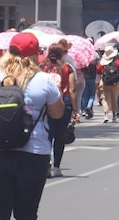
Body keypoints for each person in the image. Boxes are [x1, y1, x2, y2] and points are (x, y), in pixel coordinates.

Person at [0, 32, 64, 220]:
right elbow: (57, 114)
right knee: (27, 214)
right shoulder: (45, 81)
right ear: (35, 55)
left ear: (7, 52)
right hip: (33, 154)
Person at [39, 42, 78, 178]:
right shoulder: (68, 68)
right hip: (64, 102)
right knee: (60, 135)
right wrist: (75, 109)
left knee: (47, 134)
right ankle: (57, 167)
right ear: (62, 54)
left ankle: (46, 163)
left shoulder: (42, 67)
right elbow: (72, 89)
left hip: (45, 102)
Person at [95, 46, 119, 123]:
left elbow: (98, 75)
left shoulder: (102, 63)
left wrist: (96, 83)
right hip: (115, 84)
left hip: (104, 83)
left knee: (105, 99)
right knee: (114, 99)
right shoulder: (118, 62)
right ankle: (114, 116)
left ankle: (106, 115)